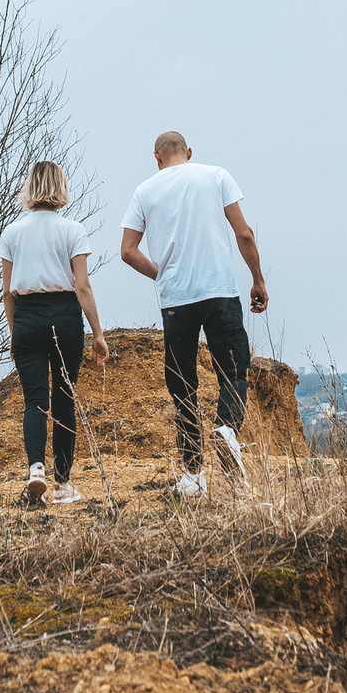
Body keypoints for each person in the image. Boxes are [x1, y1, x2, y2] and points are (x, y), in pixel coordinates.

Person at [118, 131, 268, 497]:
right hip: (220, 292)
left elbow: (127, 250)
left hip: (176, 301)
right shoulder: (216, 175)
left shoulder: (144, 191)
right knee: (233, 370)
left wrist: (162, 274)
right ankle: (228, 430)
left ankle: (193, 476)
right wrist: (258, 280)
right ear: (189, 152)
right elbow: (244, 233)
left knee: (182, 386)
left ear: (156, 157)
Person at [0, 160, 110, 506]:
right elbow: (83, 287)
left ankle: (35, 472)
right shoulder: (72, 230)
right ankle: (62, 485)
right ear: (61, 187)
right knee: (63, 401)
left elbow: (5, 292)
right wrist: (98, 333)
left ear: (29, 188)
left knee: (34, 401)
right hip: (64, 316)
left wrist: (15, 332)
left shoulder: (12, 232)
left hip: (27, 316)